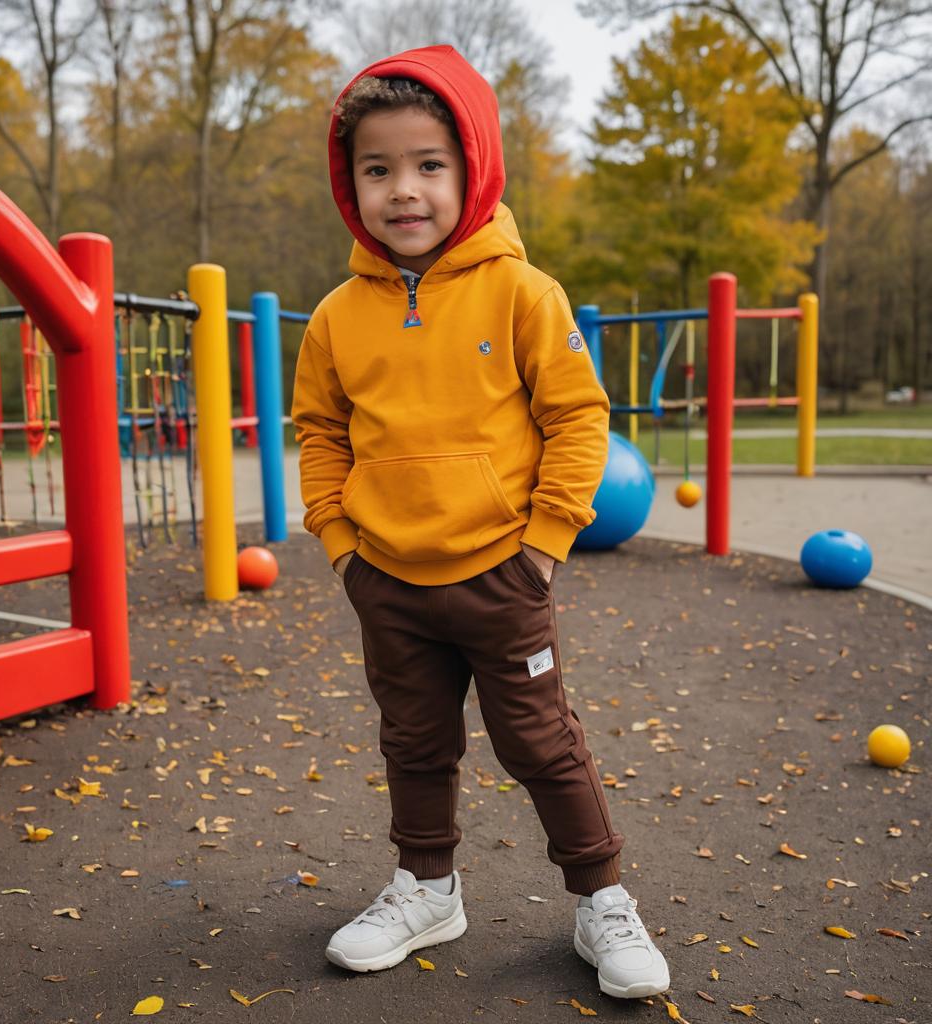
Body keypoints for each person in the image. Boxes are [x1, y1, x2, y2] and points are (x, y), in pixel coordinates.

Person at [290, 44, 670, 999]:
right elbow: (320, 433)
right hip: (389, 580)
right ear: (352, 186)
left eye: (428, 166)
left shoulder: (521, 292)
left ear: (472, 172)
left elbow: (579, 420)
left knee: (540, 742)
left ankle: (601, 901)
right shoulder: (337, 316)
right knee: (413, 741)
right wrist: (343, 548)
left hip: (502, 573)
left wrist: (543, 546)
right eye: (378, 170)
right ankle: (427, 890)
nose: (403, 190)